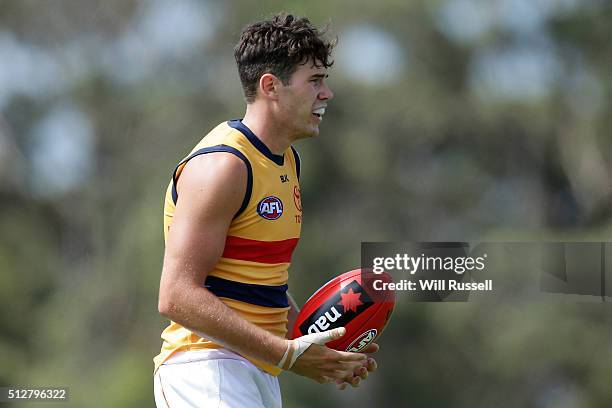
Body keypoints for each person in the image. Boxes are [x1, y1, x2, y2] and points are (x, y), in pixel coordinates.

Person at [154, 13, 378, 407]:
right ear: (271, 86)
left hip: (256, 371)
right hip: (207, 369)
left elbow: (261, 287)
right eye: (314, 81)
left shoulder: (285, 160)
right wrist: (287, 354)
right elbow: (176, 295)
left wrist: (322, 352)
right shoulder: (223, 166)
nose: (326, 94)